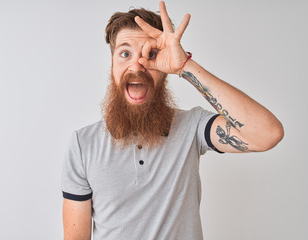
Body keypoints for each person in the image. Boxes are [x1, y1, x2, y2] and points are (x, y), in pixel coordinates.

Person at [61, 1, 284, 239]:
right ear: (112, 64)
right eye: (125, 54)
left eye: (151, 54)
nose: (137, 65)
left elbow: (268, 134)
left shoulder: (193, 127)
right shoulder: (83, 144)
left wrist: (185, 66)